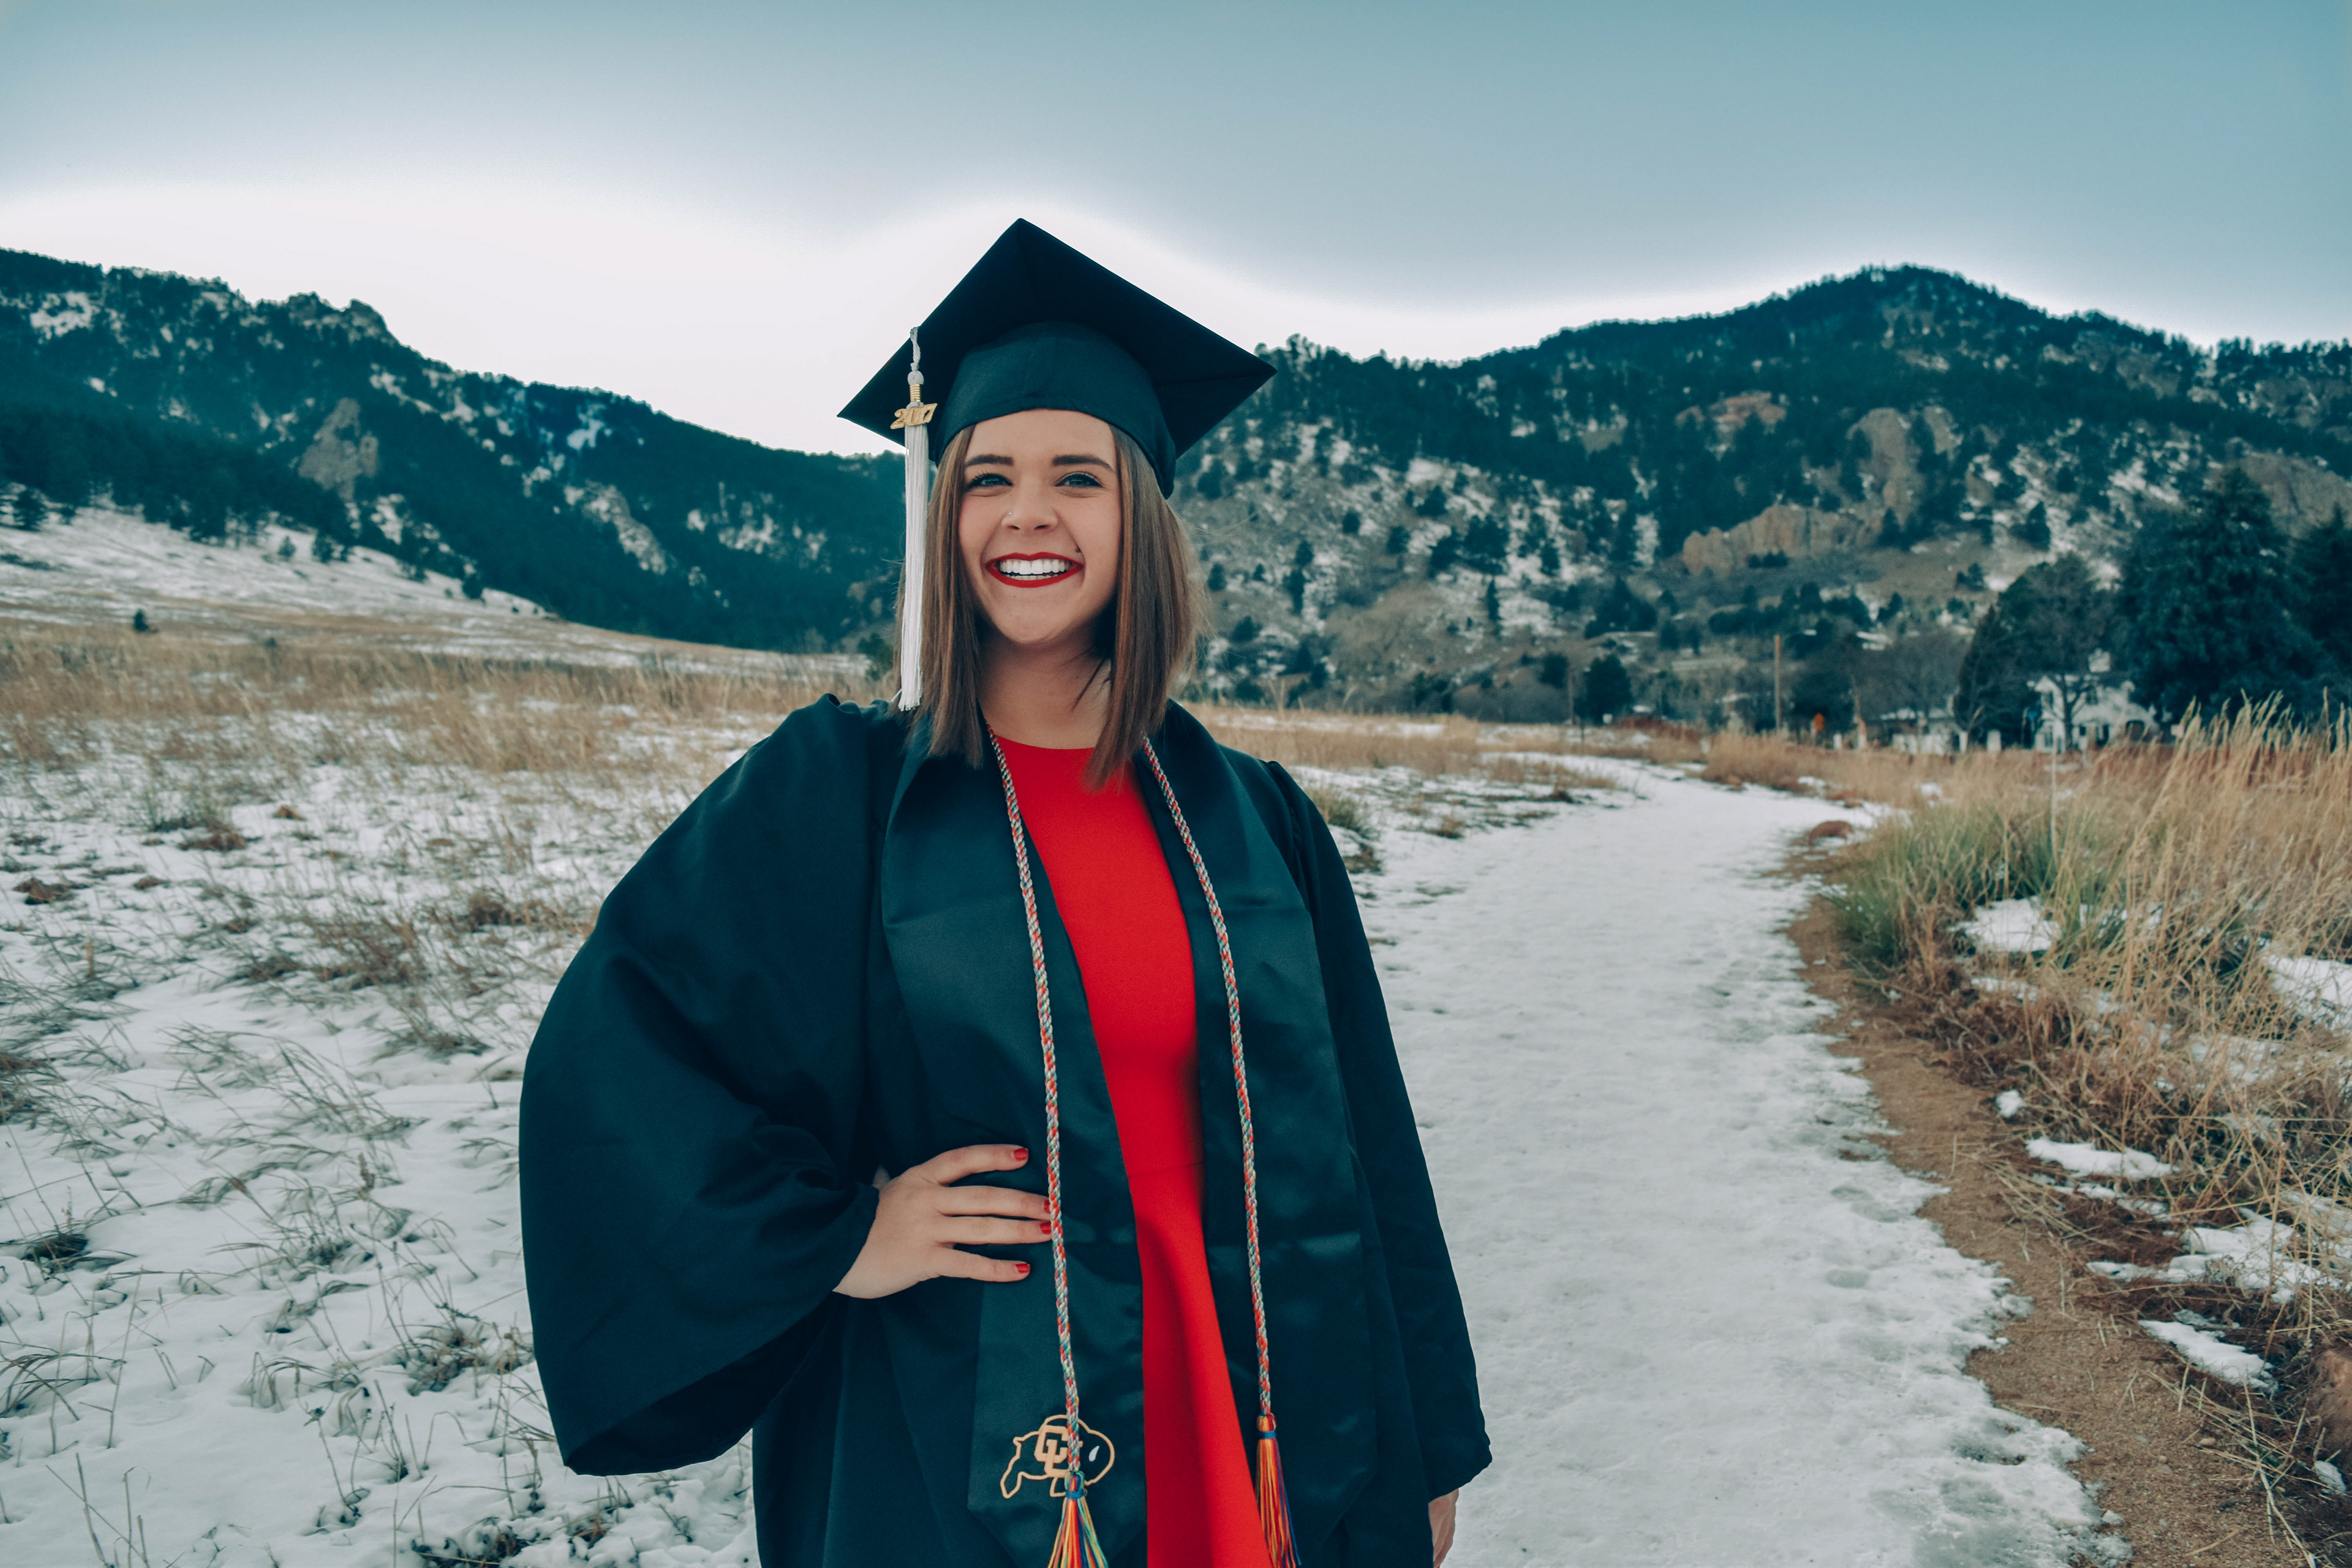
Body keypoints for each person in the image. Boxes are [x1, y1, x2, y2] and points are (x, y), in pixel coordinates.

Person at [519, 220, 1488, 1568]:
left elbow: (1368, 1137)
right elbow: (624, 1053)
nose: (1029, 513)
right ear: (947, 515)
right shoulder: (837, 795)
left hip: (1254, 1395)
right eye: (988, 478)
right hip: (957, 1426)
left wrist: (1426, 1439)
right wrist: (838, 1238)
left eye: (1078, 476)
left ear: (1141, 519)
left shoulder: (1258, 818)